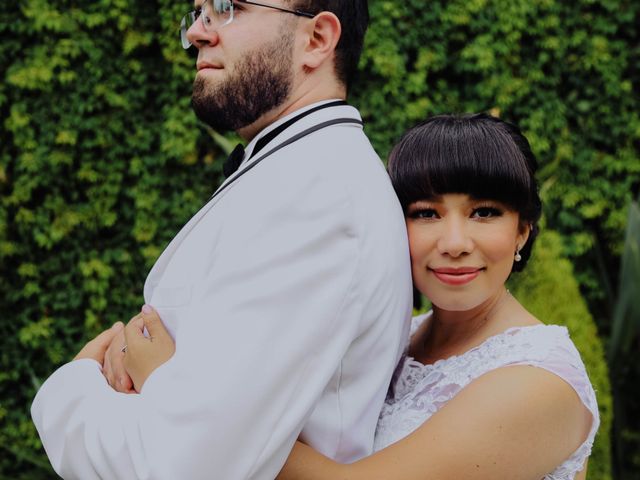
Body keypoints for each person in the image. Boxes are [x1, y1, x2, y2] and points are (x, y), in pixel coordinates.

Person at [30, 1, 412, 479]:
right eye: (198, 11)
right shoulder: (294, 172)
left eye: (230, 7)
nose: (196, 34)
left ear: (316, 40)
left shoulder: (316, 198)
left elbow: (174, 467)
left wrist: (72, 388)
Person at [274, 113, 600, 479]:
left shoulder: (539, 380)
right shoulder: (396, 336)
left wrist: (234, 421)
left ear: (522, 231)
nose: (455, 244)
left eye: (484, 212)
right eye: (427, 213)